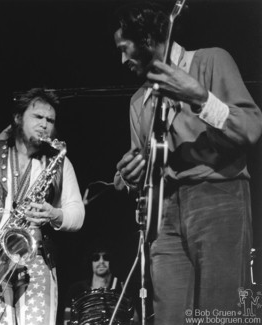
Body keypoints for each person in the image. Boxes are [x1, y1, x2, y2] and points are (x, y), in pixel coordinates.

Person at [112, 2, 262, 324]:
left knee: (219, 313)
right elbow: (146, 160)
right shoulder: (138, 101)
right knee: (169, 316)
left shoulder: (211, 60)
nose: (122, 60)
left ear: (148, 39)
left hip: (218, 195)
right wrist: (129, 175)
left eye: (125, 49)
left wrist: (201, 97)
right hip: (165, 214)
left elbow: (249, 127)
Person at [0, 88, 85, 325]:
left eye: (50, 120)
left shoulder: (59, 162)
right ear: (18, 118)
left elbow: (77, 213)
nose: (45, 125)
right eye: (38, 117)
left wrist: (55, 214)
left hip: (37, 261)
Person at [64, 249, 120, 323]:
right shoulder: (76, 290)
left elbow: (134, 319)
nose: (101, 261)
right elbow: (66, 319)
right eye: (96, 258)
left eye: (106, 257)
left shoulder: (120, 290)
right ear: (90, 262)